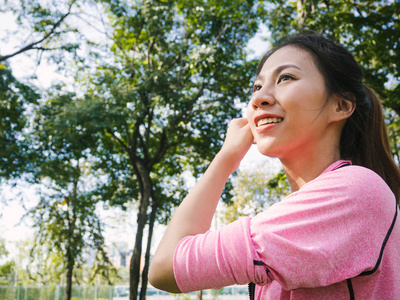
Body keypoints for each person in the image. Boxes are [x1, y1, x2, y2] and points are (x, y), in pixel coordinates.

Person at [148, 32, 400, 299]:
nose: (259, 99)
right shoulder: (309, 210)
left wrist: (224, 161)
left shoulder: (355, 191)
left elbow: (165, 269)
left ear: (340, 106)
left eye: (286, 78)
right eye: (256, 87)